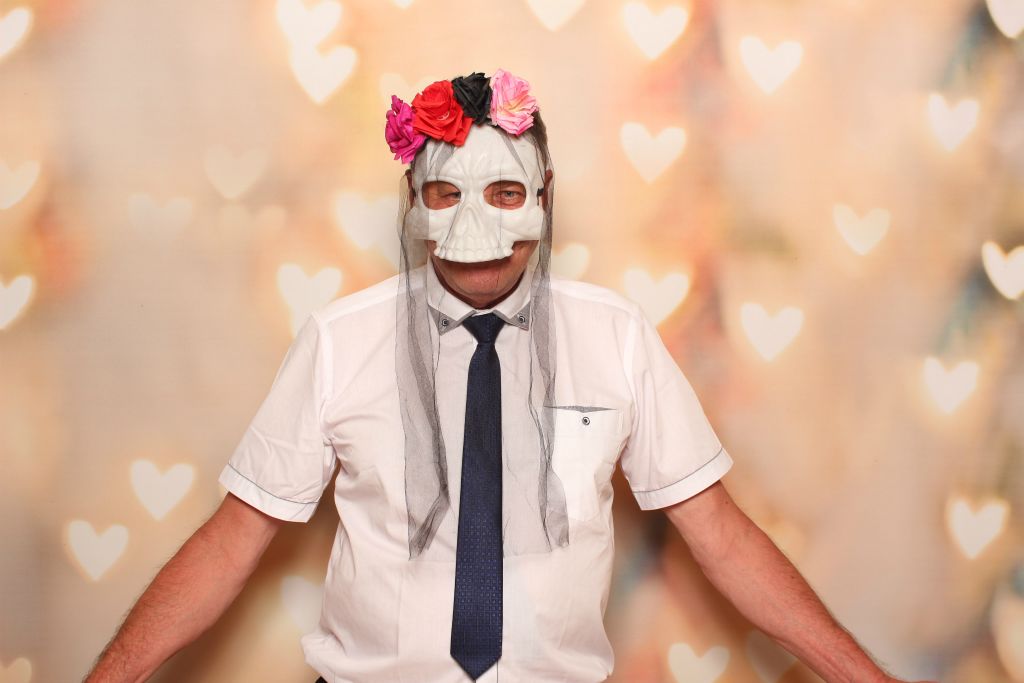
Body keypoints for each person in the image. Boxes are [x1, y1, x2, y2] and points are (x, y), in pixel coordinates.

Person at [86, 70, 936, 683]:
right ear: (413, 199)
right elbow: (233, 539)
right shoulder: (340, 341)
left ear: (545, 194)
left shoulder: (617, 338)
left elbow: (720, 533)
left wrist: (864, 676)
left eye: (503, 192)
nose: (477, 227)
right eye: (447, 195)